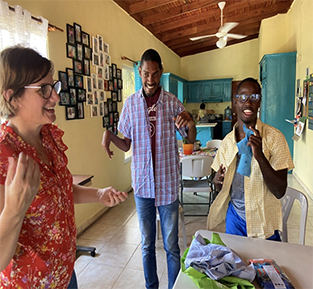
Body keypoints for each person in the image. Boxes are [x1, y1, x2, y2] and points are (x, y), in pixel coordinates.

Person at [0, 46, 128, 288]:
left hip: (66, 274)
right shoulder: (3, 157)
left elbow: (60, 191)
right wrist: (14, 211)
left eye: (54, 87)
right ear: (12, 96)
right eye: (44, 90)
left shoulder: (48, 137)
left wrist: (98, 194)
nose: (56, 97)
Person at [101, 48, 196, 289]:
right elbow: (127, 145)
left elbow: (189, 141)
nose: (150, 80)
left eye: (154, 74)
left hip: (167, 183)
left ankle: (174, 286)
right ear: (140, 73)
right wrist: (110, 135)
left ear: (161, 72)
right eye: (145, 74)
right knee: (146, 245)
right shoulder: (131, 104)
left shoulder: (173, 103)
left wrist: (190, 121)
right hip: (143, 184)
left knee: (172, 246)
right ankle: (150, 286)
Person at [207, 77, 294, 240]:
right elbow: (218, 184)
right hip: (235, 219)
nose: (248, 103)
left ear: (259, 102)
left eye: (254, 97)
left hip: (264, 221)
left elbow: (279, 191)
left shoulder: (275, 138)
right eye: (243, 97)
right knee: (236, 263)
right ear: (235, 102)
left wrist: (260, 156)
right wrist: (217, 181)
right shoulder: (227, 143)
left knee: (265, 264)